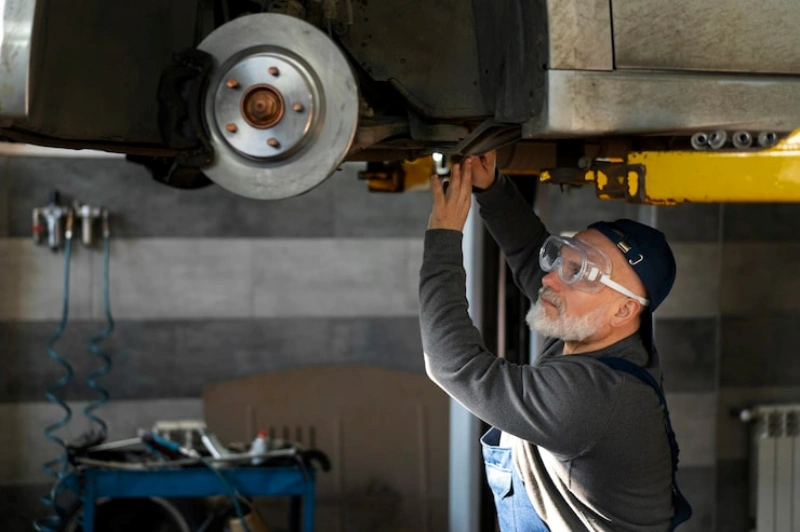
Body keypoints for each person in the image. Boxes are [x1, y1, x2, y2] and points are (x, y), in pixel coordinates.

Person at [418, 151, 691, 531]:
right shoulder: (594, 333)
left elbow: (455, 365)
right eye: (564, 260)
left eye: (580, 272)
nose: (551, 279)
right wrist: (492, 187)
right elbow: (532, 255)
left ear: (624, 311)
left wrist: (444, 236)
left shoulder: (592, 396)